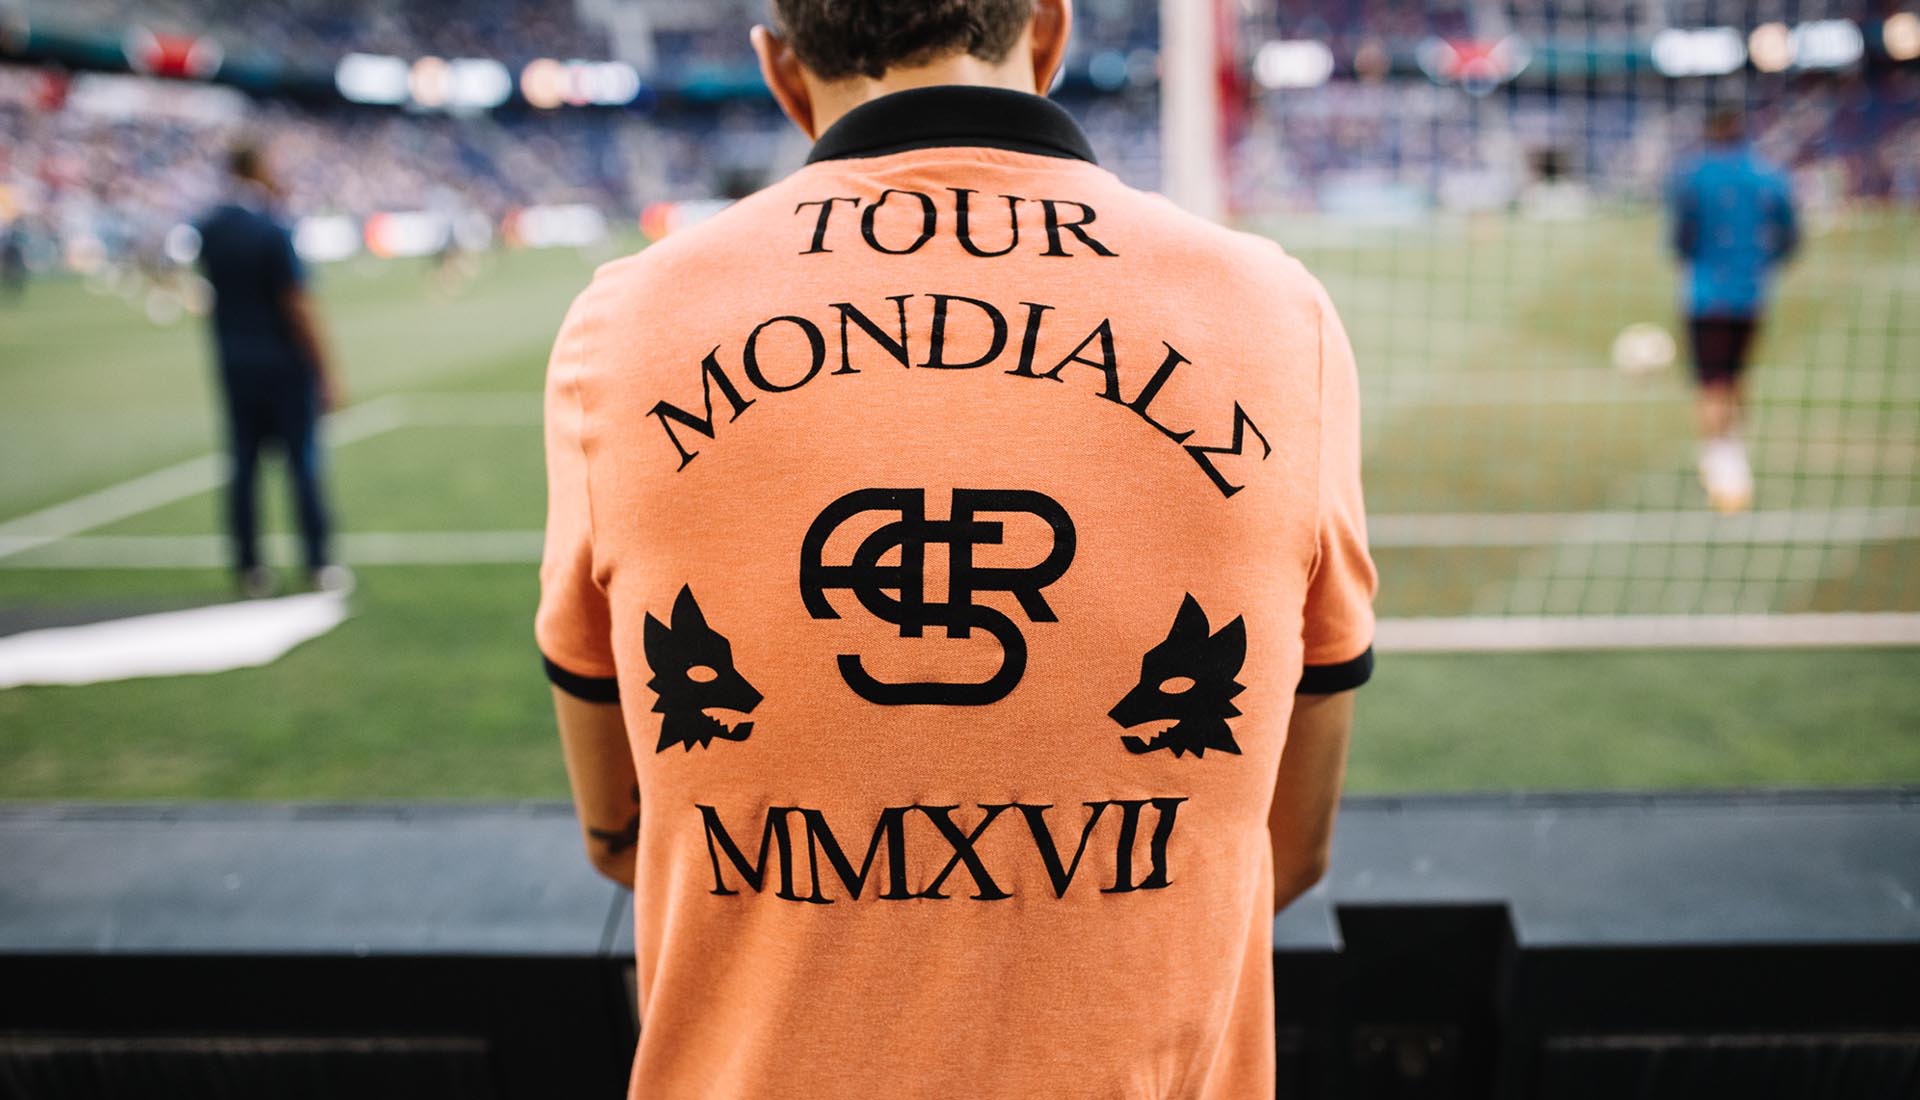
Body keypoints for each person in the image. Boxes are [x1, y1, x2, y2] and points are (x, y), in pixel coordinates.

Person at [536, 2, 1375, 1095]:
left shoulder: (624, 323)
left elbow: (623, 831)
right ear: (1050, 31)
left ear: (780, 70)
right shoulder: (1278, 314)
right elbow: (1287, 844)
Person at [194, 143, 347, 596]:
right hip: (283, 365)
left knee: (243, 466)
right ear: (257, 168)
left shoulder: (210, 229)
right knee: (302, 464)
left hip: (233, 364)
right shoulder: (272, 228)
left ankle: (248, 566)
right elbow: (297, 304)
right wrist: (326, 370)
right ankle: (317, 561)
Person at [1668, 106, 1798, 514]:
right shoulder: (1768, 175)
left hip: (1705, 296)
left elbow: (1680, 238)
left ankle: (1722, 464)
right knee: (1737, 376)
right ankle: (1731, 453)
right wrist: (1761, 263)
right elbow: (1790, 236)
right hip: (1751, 294)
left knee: (1712, 383)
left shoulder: (1693, 176)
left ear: (1710, 132)